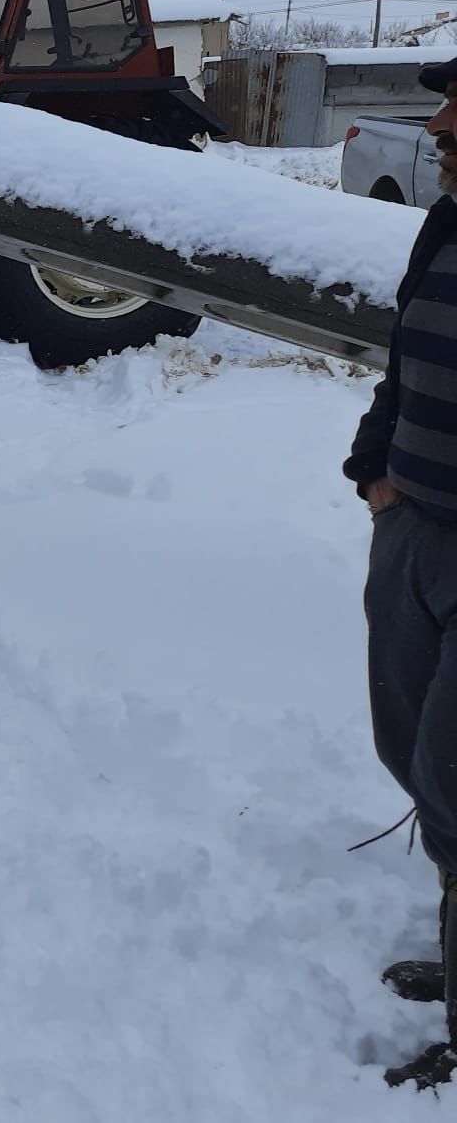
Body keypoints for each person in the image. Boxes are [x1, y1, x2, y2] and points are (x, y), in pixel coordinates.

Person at [346, 57, 457, 1088]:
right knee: (411, 753)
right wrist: (372, 467)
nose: (435, 124)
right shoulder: (445, 223)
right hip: (412, 523)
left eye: (456, 106)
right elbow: (400, 349)